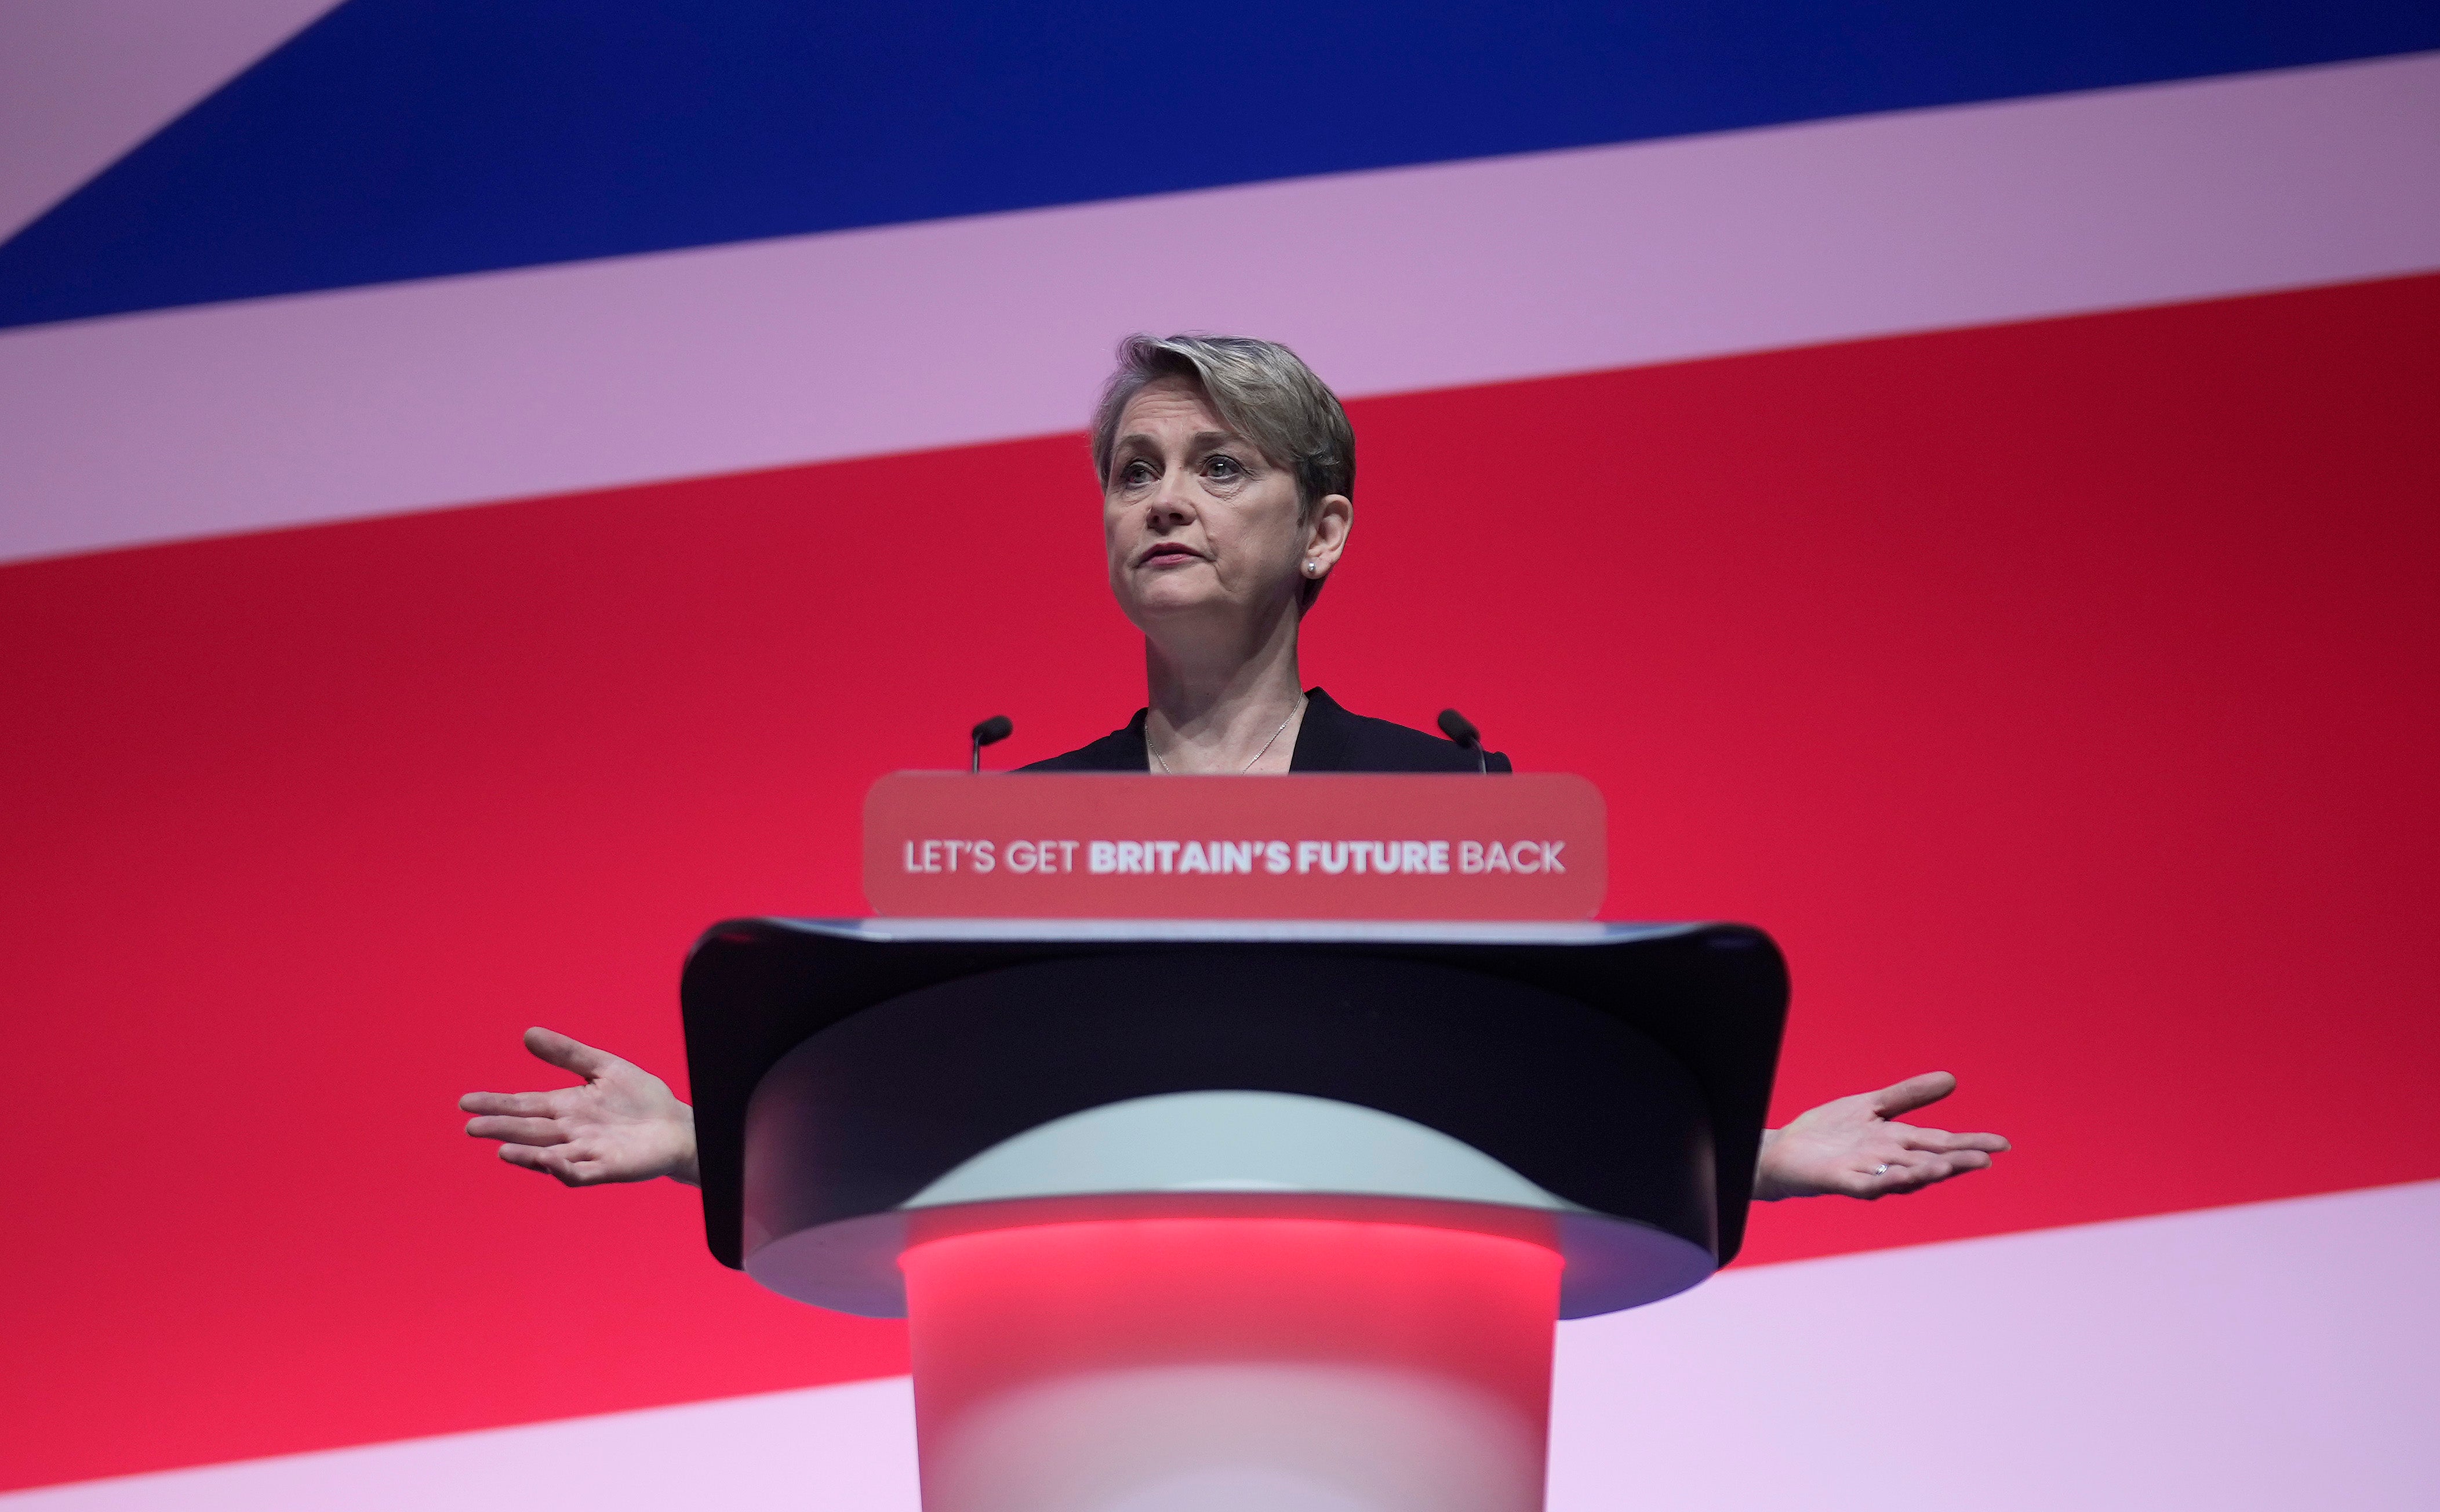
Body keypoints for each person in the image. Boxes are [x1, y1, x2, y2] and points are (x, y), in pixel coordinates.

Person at [461, 335, 2009, 1202]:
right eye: (1131, 473)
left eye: (1217, 467)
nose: (1162, 503)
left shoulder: (1452, 814)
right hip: (1083, 1352)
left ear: (1319, 530)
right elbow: (953, 1113)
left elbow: (1517, 1101)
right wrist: (696, 1144)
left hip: (1386, 1351)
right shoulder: (1018, 832)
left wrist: (1766, 1161)